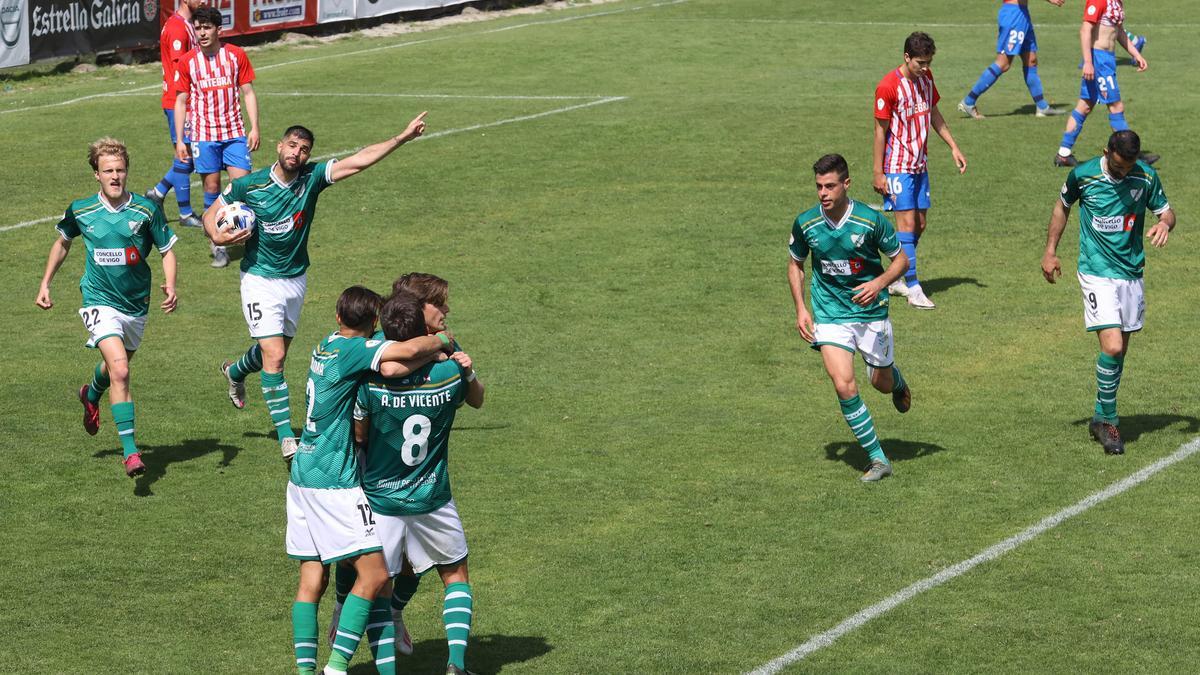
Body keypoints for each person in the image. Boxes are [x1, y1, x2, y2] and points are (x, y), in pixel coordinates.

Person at [206, 113, 428, 461]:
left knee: (273, 352)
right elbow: (212, 213)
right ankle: (287, 439)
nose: (297, 153)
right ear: (279, 146)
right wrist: (217, 236)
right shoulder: (249, 185)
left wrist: (401, 137)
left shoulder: (312, 179)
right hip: (259, 278)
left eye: (304, 149)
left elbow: (358, 161)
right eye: (292, 145)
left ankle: (235, 371)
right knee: (275, 357)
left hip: (295, 278)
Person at [286, 286, 454, 675]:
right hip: (333, 480)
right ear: (373, 321)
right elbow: (401, 359)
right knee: (377, 575)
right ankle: (336, 668)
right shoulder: (357, 352)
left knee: (312, 579)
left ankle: (306, 672)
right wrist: (442, 342)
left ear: (337, 316)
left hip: (301, 474)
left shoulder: (326, 345)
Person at [352, 292, 484, 675]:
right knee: (455, 575)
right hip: (432, 496)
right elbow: (475, 398)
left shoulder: (370, 380)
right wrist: (457, 363)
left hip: (382, 500)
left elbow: (359, 434)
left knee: (379, 588)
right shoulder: (449, 374)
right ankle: (456, 664)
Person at [327, 272, 456, 656]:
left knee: (413, 561)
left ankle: (395, 613)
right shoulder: (386, 338)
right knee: (360, 553)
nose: (446, 310)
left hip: (416, 468)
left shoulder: (437, 337)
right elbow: (389, 369)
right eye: (439, 304)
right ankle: (342, 607)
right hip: (369, 461)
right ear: (420, 308)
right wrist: (436, 349)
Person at [35, 138, 179, 477]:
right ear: (96, 175)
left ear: (127, 172)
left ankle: (91, 393)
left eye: (120, 170)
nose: (115, 176)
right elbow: (62, 243)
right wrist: (45, 283)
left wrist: (171, 284)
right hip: (98, 300)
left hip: (136, 303)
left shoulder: (146, 210)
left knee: (116, 367)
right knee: (122, 370)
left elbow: (167, 251)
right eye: (108, 171)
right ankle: (131, 453)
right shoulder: (82, 210)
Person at [1040, 130, 1173, 455]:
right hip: (1096, 270)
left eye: (1128, 167)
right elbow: (1062, 207)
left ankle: (1100, 417)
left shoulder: (1145, 176)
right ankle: (1109, 423)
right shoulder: (1083, 175)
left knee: (1119, 352)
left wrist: (1164, 224)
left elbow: (1167, 212)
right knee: (1112, 346)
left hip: (1131, 272)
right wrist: (1050, 250)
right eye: (1117, 166)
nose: (1123, 172)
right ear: (1106, 152)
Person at [789, 154, 912, 482]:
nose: (823, 193)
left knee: (880, 383)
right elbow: (795, 264)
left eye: (830, 186)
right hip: (830, 313)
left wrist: (878, 283)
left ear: (846, 184)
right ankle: (878, 459)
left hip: (871, 313)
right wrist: (801, 308)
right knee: (843, 383)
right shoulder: (806, 224)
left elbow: (901, 261)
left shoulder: (870, 221)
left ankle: (897, 381)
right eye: (819, 186)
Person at [872, 31, 967, 310]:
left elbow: (933, 113)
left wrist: (953, 146)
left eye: (928, 62)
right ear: (906, 57)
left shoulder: (926, 78)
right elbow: (880, 132)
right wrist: (878, 172)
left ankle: (894, 275)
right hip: (897, 166)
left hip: (919, 164)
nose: (925, 68)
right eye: (920, 63)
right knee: (907, 226)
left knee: (920, 225)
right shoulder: (888, 86)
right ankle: (913, 288)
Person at [173, 5, 260, 267]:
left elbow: (248, 92)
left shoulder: (235, 55)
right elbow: (181, 101)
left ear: (219, 29)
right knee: (211, 189)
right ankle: (217, 243)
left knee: (242, 187)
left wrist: (254, 127)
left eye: (207, 27)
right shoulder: (188, 61)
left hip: (234, 134)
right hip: (204, 136)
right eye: (198, 28)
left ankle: (248, 236)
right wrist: (181, 139)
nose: (201, 33)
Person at [1053, 0, 1158, 167]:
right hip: (1099, 60)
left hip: (1106, 59)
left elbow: (1119, 32)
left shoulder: (1117, 2)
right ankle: (1133, 156)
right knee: (1116, 107)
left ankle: (1063, 154)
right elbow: (1085, 30)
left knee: (1085, 105)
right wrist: (1088, 62)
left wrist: (1136, 54)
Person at [144, 0, 203, 229]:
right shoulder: (178, 27)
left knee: (191, 156)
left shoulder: (183, 23)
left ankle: (157, 193)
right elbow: (181, 67)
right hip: (179, 102)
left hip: (184, 100)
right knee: (186, 157)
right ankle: (185, 214)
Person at [957, 0, 1066, 120]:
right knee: (1003, 63)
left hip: (1022, 15)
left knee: (1031, 60)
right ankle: (969, 101)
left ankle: (1042, 107)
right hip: (1014, 15)